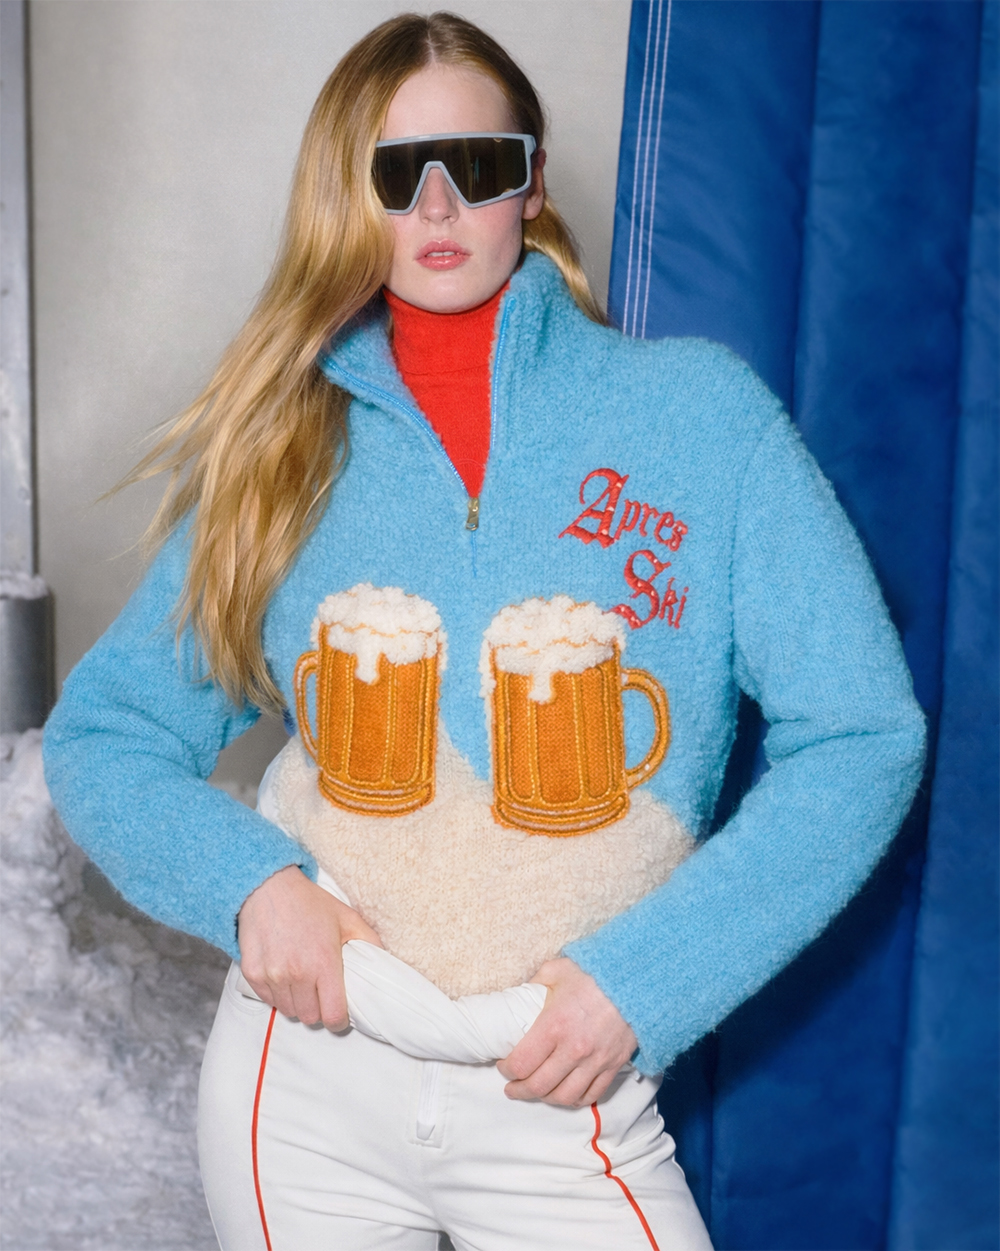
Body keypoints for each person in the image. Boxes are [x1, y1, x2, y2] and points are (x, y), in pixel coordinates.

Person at [43, 11, 925, 1251]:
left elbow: (863, 734)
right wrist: (252, 889)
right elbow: (106, 732)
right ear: (347, 194)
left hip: (564, 1089)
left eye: (478, 164)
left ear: (534, 184)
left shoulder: (701, 422)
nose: (440, 205)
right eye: (399, 172)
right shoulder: (283, 454)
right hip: (305, 1084)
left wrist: (649, 981)